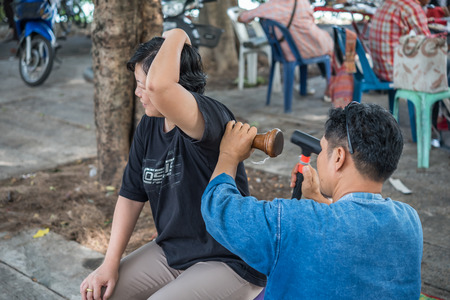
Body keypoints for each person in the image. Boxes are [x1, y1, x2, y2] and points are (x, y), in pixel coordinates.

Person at [80, 28, 266, 300]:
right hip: (173, 251)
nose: (138, 92)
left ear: (173, 79)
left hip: (229, 260)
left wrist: (178, 34)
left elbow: (161, 87)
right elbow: (130, 197)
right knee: (96, 294)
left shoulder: (208, 116)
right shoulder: (149, 125)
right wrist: (109, 264)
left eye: (142, 84)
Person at [201, 102, 423, 299]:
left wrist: (229, 156)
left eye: (322, 150)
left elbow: (218, 208)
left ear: (338, 157)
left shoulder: (292, 221)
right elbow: (355, 229)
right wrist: (317, 197)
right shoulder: (408, 221)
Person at [238, 0, 332, 94]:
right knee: (329, 48)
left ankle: (307, 88)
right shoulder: (302, 2)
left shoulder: (270, 6)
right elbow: (311, 20)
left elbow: (241, 18)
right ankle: (331, 86)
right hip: (307, 48)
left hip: (287, 51)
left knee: (322, 47)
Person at [369, 0, 431, 82]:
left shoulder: (388, 2)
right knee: (445, 62)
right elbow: (429, 41)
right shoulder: (412, 6)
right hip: (394, 72)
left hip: (379, 68)